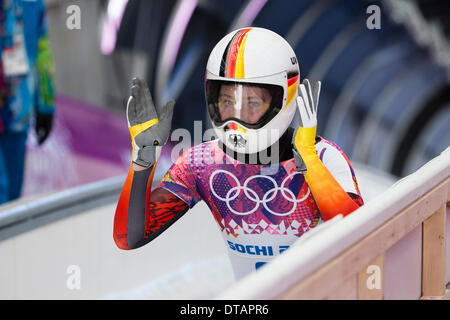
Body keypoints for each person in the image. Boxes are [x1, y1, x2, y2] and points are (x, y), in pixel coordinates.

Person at [113, 27, 364, 280]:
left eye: (252, 103)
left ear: (283, 99)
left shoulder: (323, 158)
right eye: (227, 102)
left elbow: (362, 237)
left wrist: (309, 160)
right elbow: (130, 236)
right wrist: (143, 161)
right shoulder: (201, 164)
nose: (237, 118)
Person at [0, 0, 55, 204]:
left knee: (13, 196)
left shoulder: (33, 3)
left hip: (18, 114)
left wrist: (46, 105)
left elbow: (42, 51)